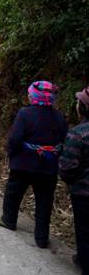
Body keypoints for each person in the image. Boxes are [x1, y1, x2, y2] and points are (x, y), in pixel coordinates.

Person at [0, 81, 68, 248]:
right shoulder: (59, 117)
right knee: (45, 200)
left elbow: (15, 138)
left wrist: (11, 154)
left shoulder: (25, 114)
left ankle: (9, 219)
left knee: (14, 192)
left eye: (29, 94)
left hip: (24, 163)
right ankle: (42, 237)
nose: (27, 96)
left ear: (33, 96)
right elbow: (64, 140)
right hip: (48, 166)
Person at [59, 85, 89, 274]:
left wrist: (73, 182)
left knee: (85, 230)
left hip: (84, 194)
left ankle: (84, 263)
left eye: (79, 101)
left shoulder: (79, 133)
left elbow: (67, 166)